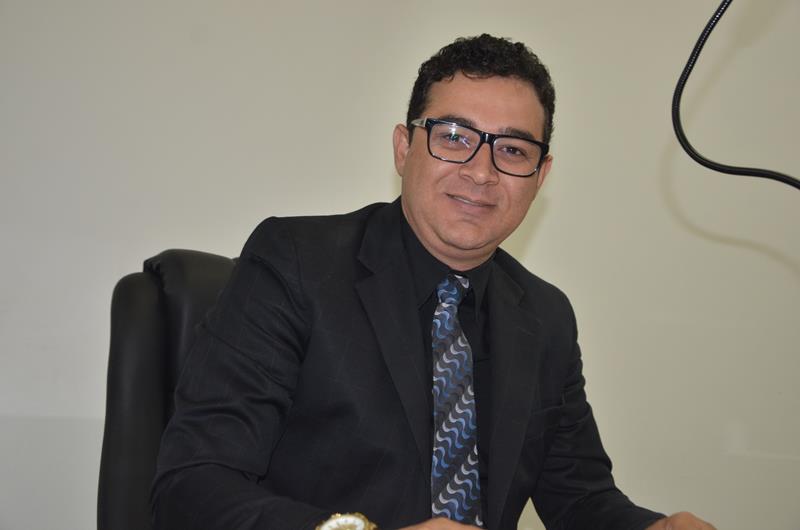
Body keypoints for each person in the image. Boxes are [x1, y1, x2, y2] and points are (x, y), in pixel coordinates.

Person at [152, 34, 715, 530]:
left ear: (540, 176)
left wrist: (654, 527)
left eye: (512, 150)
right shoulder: (296, 262)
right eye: (453, 136)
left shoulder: (545, 317)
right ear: (404, 148)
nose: (481, 171)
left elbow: (581, 500)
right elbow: (192, 485)